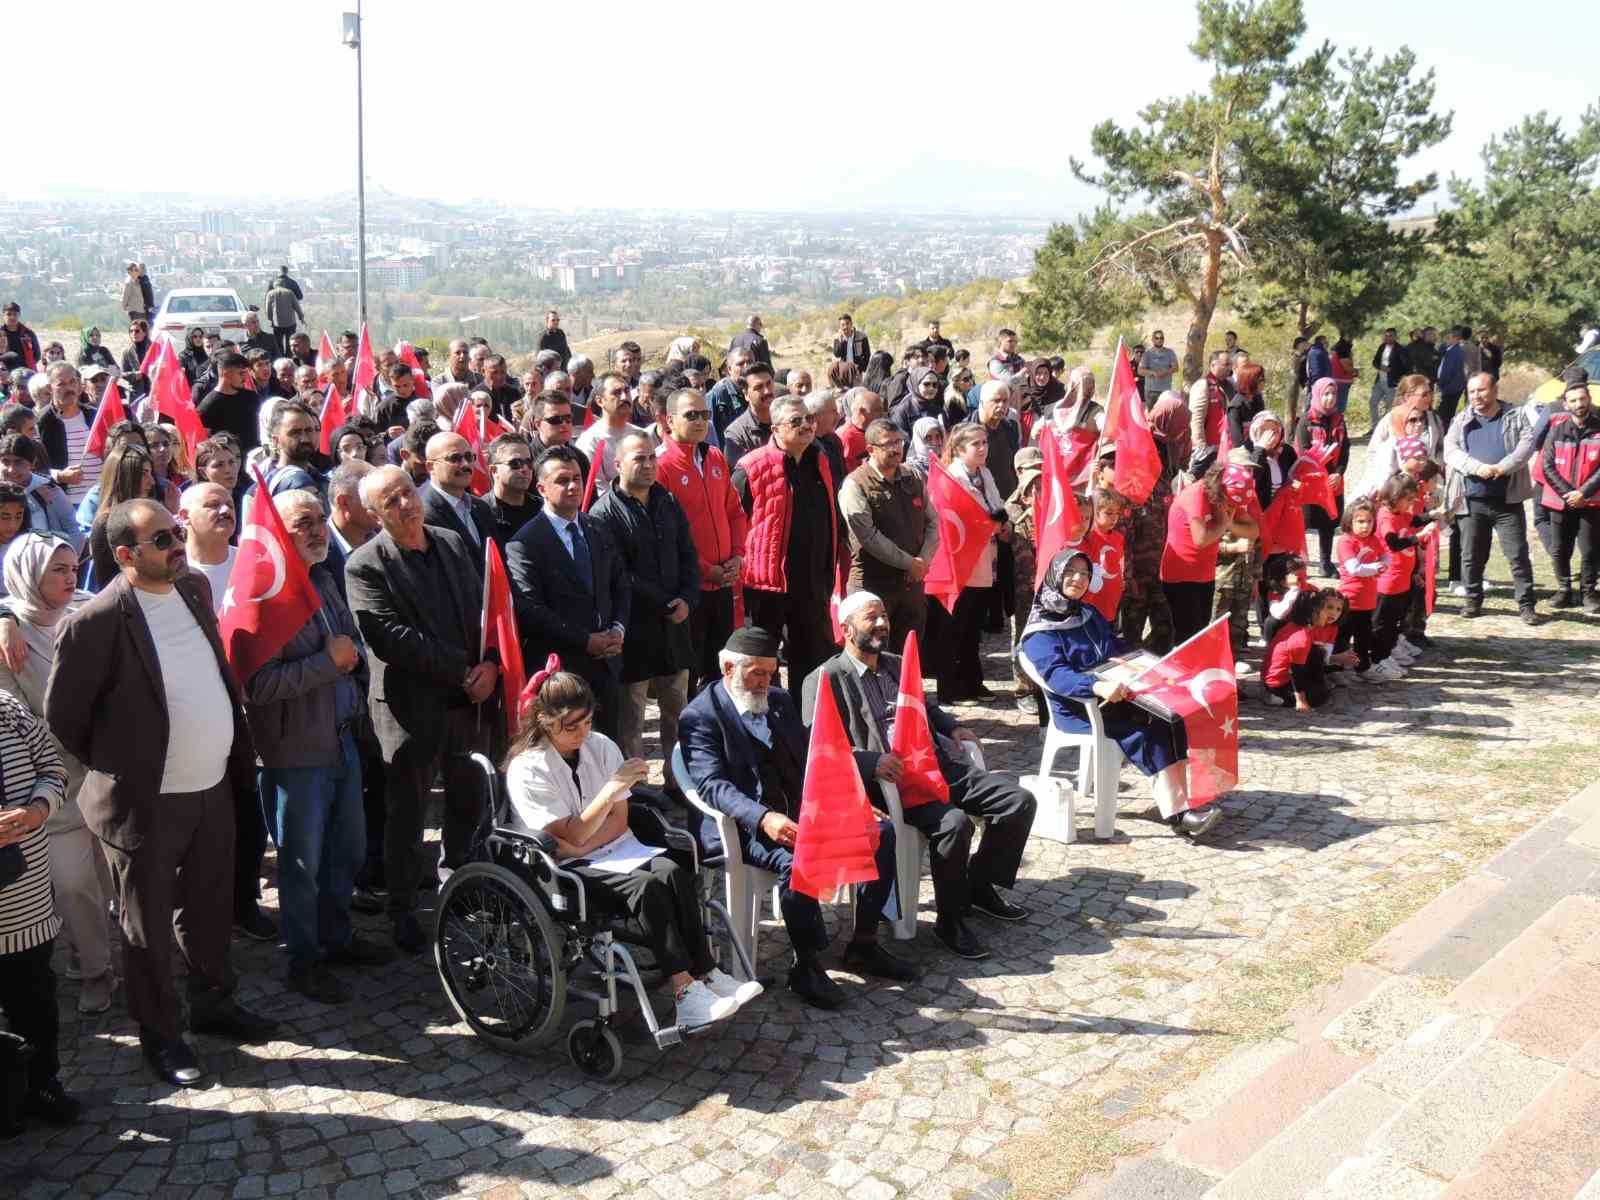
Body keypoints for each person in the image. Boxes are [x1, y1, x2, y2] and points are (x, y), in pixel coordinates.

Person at [46, 499, 278, 1085]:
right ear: (125, 555)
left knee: (208, 908)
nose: (177, 545)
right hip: (145, 803)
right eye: (162, 540)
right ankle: (162, 1037)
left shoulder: (194, 590)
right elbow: (66, 719)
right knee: (146, 927)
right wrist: (124, 767)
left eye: (177, 533)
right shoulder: (95, 622)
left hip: (212, 785)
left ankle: (215, 1003)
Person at [508, 666, 753, 1026]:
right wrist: (607, 794)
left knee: (672, 870)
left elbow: (615, 824)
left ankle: (707, 972)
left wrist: (584, 839)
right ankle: (683, 989)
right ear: (544, 721)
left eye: (587, 722)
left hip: (610, 849)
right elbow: (572, 837)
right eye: (570, 726)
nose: (581, 733)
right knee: (648, 887)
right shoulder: (528, 769)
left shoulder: (601, 746)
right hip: (564, 870)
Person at [679, 627, 905, 1009]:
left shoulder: (779, 701)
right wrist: (764, 816)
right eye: (757, 674)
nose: (766, 682)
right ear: (729, 668)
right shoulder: (700, 716)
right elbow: (712, 786)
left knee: (880, 833)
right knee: (798, 860)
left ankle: (863, 942)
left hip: (800, 812)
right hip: (742, 827)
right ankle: (806, 964)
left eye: (771, 673)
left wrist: (851, 802)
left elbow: (814, 758)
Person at [803, 593, 1036, 960]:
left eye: (883, 615)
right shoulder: (826, 678)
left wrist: (953, 726)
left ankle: (980, 884)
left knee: (1018, 801)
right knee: (954, 824)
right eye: (871, 618)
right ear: (846, 629)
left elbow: (926, 707)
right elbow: (817, 748)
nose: (882, 623)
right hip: (891, 784)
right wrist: (869, 762)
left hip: (934, 765)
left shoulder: (897, 664)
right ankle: (951, 920)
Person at [345, 466, 497, 954]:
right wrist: (464, 671)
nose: (406, 505)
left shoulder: (451, 542)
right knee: (407, 816)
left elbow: (486, 609)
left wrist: (491, 664)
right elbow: (390, 638)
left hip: (467, 702)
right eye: (391, 501)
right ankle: (404, 908)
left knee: (468, 799)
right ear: (374, 515)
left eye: (408, 492)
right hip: (411, 710)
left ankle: (463, 884)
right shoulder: (364, 565)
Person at [246, 490, 388, 1004]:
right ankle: (303, 959)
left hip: (343, 739)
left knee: (346, 848)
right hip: (296, 752)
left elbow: (352, 648)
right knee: (301, 860)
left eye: (320, 519)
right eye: (302, 523)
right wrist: (329, 665)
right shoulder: (264, 597)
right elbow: (257, 686)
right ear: (278, 532)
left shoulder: (325, 579)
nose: (317, 530)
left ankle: (337, 936)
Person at [1021, 550, 1220, 836]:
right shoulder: (1041, 633)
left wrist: (1156, 665)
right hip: (1081, 709)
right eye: (1070, 572)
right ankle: (1179, 815)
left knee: (1171, 718)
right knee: (1142, 733)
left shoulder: (1087, 614)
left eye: (1084, 573)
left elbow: (1115, 647)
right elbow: (1057, 676)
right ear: (1054, 575)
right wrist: (1095, 686)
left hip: (1115, 696)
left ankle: (1182, 798)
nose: (1078, 579)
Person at [0, 534, 114, 1020]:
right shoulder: (12, 634)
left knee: (103, 877)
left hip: (103, 769)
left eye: (73, 568)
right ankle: (94, 970)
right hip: (51, 779)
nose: (71, 578)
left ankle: (90, 953)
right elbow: (16, 713)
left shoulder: (86, 611)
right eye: (57, 571)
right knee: (71, 882)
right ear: (29, 575)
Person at [505, 449, 629, 740]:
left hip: (607, 663)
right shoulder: (525, 542)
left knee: (607, 747)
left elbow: (620, 582)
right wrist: (586, 641)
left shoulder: (596, 527)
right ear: (542, 488)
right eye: (562, 480)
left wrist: (618, 628)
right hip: (562, 670)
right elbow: (529, 608)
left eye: (577, 478)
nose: (573, 486)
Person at [590, 434, 698, 766]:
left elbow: (688, 554)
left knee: (677, 711)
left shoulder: (667, 500)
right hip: (634, 629)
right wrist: (667, 602)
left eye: (652, 457)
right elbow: (620, 573)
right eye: (639, 459)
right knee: (631, 718)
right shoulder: (603, 513)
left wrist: (687, 598)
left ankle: (677, 781)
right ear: (617, 465)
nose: (649, 465)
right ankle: (634, 794)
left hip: (675, 627)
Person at [0, 684, 78, 1129]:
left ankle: (42, 1085)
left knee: (35, 1002)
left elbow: (53, 768)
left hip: (24, 904)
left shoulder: (8, 708)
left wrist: (35, 810)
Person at [731, 395, 842, 692]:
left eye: (809, 419)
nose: (806, 425)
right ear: (776, 428)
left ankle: (806, 724)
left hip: (812, 579)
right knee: (763, 658)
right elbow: (733, 519)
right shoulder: (751, 467)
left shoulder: (820, 460)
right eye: (796, 421)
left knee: (813, 657)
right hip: (766, 585)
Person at [655, 388, 745, 696]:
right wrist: (706, 570)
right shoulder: (660, 467)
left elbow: (734, 512)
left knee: (720, 669)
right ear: (669, 420)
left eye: (705, 414)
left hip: (723, 583)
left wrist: (737, 556)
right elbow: (666, 538)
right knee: (688, 678)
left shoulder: (714, 456)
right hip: (689, 589)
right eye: (691, 415)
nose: (700, 421)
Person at [1443, 372, 1538, 622]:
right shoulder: (1461, 419)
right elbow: (1450, 451)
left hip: (1508, 501)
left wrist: (1502, 468)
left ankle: (1527, 605)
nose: (1476, 396)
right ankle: (1472, 601)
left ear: (1495, 390)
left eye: (1481, 390)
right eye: (1472, 391)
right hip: (1472, 500)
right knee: (1471, 555)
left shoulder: (1515, 415)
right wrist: (1477, 467)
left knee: (1517, 554)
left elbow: (1526, 446)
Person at [838, 419, 938, 652]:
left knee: (908, 653)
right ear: (871, 449)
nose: (896, 449)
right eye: (887, 444)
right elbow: (868, 536)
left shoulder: (912, 476)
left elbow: (933, 521)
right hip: (873, 583)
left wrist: (923, 561)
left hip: (911, 584)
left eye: (898, 442)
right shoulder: (856, 484)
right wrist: (909, 563)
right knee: (871, 650)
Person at [1161, 461, 1260, 644]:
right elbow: (1201, 539)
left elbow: (1254, 531)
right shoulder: (1196, 495)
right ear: (1220, 489)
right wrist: (1224, 524)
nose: (1231, 507)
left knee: (1200, 631)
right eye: (1229, 502)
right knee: (1186, 635)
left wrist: (1230, 524)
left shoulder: (1224, 499)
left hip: (1205, 574)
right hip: (1181, 575)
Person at [1540, 375, 1600, 612]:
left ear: (1589, 399)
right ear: (1565, 404)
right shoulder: (1557, 431)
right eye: (1573, 400)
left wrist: (1583, 492)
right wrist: (1568, 493)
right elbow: (1547, 465)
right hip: (1560, 501)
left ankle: (1589, 594)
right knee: (1560, 548)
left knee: (1590, 549)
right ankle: (1564, 590)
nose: (1578, 404)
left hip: (1591, 501)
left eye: (1582, 399)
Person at [1372, 475, 1435, 675]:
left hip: (1402, 580)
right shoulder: (1386, 517)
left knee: (1395, 620)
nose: (1411, 504)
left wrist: (1434, 515)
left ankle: (1387, 652)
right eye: (1408, 499)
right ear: (1395, 496)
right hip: (1388, 582)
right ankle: (1377, 658)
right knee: (1382, 623)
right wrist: (1418, 537)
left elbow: (1415, 519)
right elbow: (1394, 543)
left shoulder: (1400, 514)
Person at [1263, 588, 1355, 710]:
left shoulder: (1308, 628)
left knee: (1318, 656)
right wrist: (1301, 700)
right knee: (1318, 697)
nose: (1333, 613)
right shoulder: (1302, 635)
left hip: (1286, 674)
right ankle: (1278, 696)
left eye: (1338, 609)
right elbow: (1295, 670)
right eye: (1328, 608)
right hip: (1279, 681)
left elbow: (1320, 655)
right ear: (1315, 610)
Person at [1296, 378, 1350, 576]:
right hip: (1311, 481)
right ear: (1318, 395)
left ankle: (1326, 562)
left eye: (1334, 394)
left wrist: (1338, 473)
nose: (1330, 398)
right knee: (1304, 521)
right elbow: (1303, 451)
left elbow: (1345, 449)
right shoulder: (1306, 421)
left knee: (1328, 522)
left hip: (1333, 480)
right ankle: (1299, 562)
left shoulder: (1339, 419)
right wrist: (1321, 471)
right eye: (1326, 394)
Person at [418, 431, 495, 560]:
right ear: (430, 467)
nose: (465, 464)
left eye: (469, 457)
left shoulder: (481, 507)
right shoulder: (423, 516)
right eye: (455, 458)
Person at [0, 434, 80, 551]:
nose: (11, 469)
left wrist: (62, 564)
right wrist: (32, 497)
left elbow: (74, 530)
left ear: (32, 463)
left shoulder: (49, 490)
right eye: (6, 462)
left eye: (18, 462)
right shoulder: (37, 493)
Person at [38, 363, 101, 511]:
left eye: (72, 382)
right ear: (49, 388)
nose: (69, 388)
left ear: (79, 385)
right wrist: (59, 476)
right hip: (66, 505)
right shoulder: (42, 422)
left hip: (101, 500)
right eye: (61, 384)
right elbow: (32, 467)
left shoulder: (94, 416)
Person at [1334, 498, 1385, 678]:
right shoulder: (1346, 541)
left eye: (1369, 521)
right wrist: (1377, 567)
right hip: (1349, 599)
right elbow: (1354, 568)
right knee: (1342, 637)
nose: (1365, 526)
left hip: (1368, 599)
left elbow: (1386, 555)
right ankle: (1336, 669)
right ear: (1350, 521)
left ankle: (1362, 667)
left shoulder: (1374, 540)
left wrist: (1384, 563)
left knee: (1363, 638)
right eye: (1360, 521)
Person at [576, 372, 647, 492]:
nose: (624, 397)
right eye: (616, 393)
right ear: (600, 401)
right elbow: (599, 490)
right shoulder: (589, 441)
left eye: (627, 391)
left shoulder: (641, 435)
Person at [178, 483, 237, 611]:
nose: (226, 511)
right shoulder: (172, 571)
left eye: (230, 505)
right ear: (184, 516)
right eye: (213, 505)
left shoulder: (251, 562)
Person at [483, 432, 540, 548]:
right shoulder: (481, 513)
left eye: (529, 463)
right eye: (515, 463)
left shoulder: (543, 508)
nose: (524, 469)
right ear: (494, 471)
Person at [721, 362, 777, 470]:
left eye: (769, 384)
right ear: (746, 394)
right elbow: (739, 478)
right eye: (759, 387)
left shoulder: (786, 421)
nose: (767, 391)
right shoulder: (736, 434)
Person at [1369, 328, 1409, 431]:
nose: (1388, 337)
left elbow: (1405, 366)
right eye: (1386, 335)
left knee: (1390, 406)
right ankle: (1375, 427)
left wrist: (1392, 371)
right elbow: (1375, 361)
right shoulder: (1382, 347)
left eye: (1391, 335)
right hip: (1379, 381)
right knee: (1373, 402)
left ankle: (1388, 428)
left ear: (1395, 337)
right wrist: (1380, 367)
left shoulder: (1400, 349)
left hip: (1391, 382)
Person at [837, 387, 883, 476]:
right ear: (862, 411)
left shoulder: (875, 429)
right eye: (877, 410)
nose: (882, 414)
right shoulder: (846, 437)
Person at [263, 277, 304, 358]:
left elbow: (268, 309)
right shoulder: (289, 292)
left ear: (275, 285)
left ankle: (281, 359)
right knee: (290, 343)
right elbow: (297, 306)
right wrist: (301, 317)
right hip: (290, 323)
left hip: (277, 324)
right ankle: (289, 358)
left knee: (278, 344)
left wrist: (270, 320)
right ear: (284, 285)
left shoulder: (270, 294)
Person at [1138, 330, 1178, 402]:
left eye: (1161, 338)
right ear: (1152, 340)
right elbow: (1140, 371)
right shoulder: (1147, 354)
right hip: (1151, 391)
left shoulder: (1170, 352)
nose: (1159, 340)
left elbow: (1176, 368)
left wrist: (1165, 372)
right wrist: (1153, 373)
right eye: (1157, 338)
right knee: (1152, 413)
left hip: (1165, 391)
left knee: (1166, 413)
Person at [0, 303, 41, 369]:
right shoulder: (1, 333)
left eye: (15, 314)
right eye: (9, 314)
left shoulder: (28, 333)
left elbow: (37, 355)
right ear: (3, 315)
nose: (12, 317)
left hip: (25, 371)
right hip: (4, 372)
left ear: (19, 315)